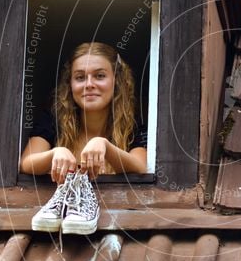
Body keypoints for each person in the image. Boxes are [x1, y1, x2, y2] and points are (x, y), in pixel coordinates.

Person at [20, 42, 148, 234]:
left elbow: (141, 167)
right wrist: (56, 152)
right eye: (80, 77)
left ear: (117, 81)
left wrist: (105, 146)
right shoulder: (54, 121)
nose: (89, 84)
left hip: (116, 226)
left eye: (100, 76)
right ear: (70, 84)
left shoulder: (134, 125)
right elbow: (26, 163)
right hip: (59, 229)